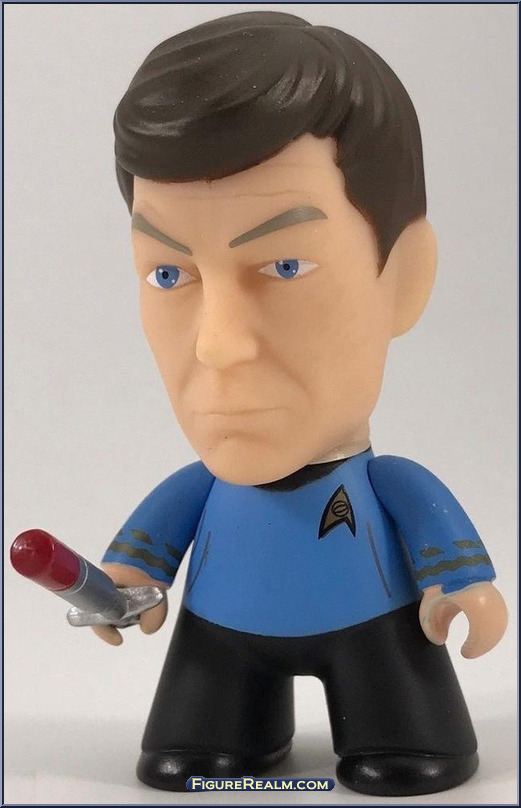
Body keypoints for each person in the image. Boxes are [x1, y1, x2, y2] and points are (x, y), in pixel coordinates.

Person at [96, 11, 507, 796]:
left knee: (407, 747)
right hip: (217, 638)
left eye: (284, 265)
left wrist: (462, 588)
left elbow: (441, 542)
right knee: (192, 753)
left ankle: (398, 730)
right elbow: (140, 560)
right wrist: (119, 585)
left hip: (378, 628)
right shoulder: (200, 491)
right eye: (168, 274)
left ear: (403, 277)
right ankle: (221, 733)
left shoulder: (390, 487)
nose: (218, 345)